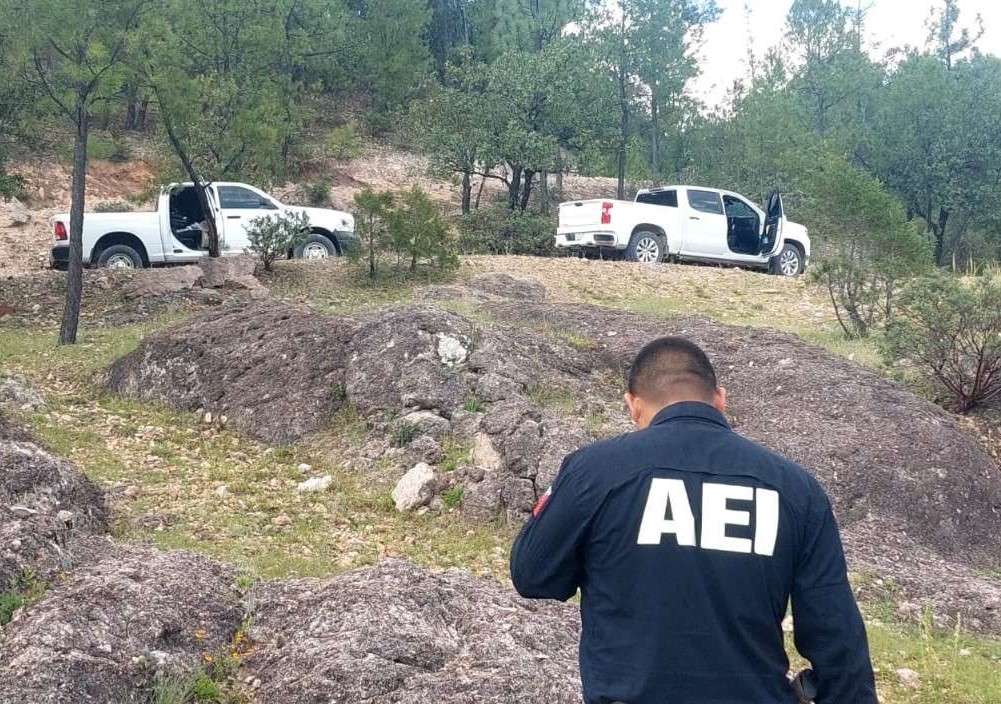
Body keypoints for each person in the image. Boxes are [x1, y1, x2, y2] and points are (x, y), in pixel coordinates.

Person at [510, 336, 877, 704]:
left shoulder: (595, 471)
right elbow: (838, 639)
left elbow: (533, 575)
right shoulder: (795, 489)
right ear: (720, 399)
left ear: (633, 406)